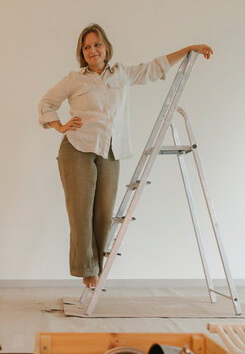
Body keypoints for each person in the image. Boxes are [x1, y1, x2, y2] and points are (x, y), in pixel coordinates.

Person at [38, 23, 213, 288]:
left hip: (111, 150)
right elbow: (46, 103)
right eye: (86, 47)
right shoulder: (75, 80)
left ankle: (95, 266)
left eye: (97, 44)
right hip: (77, 148)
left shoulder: (123, 74)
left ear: (106, 47)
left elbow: (156, 68)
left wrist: (189, 49)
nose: (92, 50)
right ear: (81, 53)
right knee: (80, 213)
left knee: (104, 212)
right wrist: (60, 126)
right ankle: (89, 271)